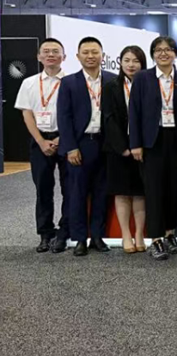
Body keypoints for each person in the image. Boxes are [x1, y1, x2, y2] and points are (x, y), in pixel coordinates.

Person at [129, 36, 177, 261]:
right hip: (151, 142)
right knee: (154, 191)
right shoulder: (142, 78)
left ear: (175, 53)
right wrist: (135, 143)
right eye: (158, 50)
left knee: (173, 190)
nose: (163, 53)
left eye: (168, 49)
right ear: (153, 54)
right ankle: (155, 238)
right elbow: (134, 112)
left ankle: (170, 233)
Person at [57, 37, 116, 257]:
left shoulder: (112, 79)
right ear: (78, 56)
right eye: (86, 52)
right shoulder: (69, 82)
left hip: (105, 144)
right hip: (80, 145)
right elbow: (64, 117)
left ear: (102, 55)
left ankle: (98, 236)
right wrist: (70, 147)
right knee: (77, 193)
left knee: (102, 192)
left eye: (95, 52)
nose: (90, 56)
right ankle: (80, 238)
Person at [15, 38, 70, 253]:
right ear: (39, 56)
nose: (50, 55)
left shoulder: (71, 81)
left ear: (64, 56)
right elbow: (26, 113)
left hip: (66, 139)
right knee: (43, 188)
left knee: (69, 188)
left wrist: (61, 139)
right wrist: (40, 141)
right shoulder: (29, 83)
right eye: (46, 51)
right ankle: (45, 233)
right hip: (39, 140)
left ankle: (65, 231)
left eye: (55, 51)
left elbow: (76, 114)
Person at [103, 45, 148, 254]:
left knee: (140, 193)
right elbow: (109, 119)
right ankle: (125, 235)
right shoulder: (111, 86)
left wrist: (141, 145)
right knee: (121, 193)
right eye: (127, 60)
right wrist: (122, 148)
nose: (131, 65)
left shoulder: (148, 85)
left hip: (144, 148)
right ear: (120, 62)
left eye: (136, 61)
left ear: (143, 63)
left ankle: (139, 234)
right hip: (118, 148)